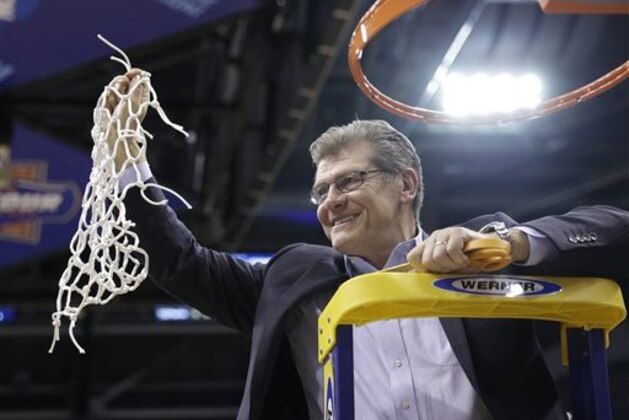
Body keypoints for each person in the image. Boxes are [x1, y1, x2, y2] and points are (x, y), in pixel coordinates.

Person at [106, 71, 628, 419]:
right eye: (320, 191)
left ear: (406, 185)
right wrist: (126, 161)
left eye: (349, 182)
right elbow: (179, 261)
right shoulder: (293, 281)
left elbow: (615, 228)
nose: (330, 201)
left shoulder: (479, 248)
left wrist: (511, 244)